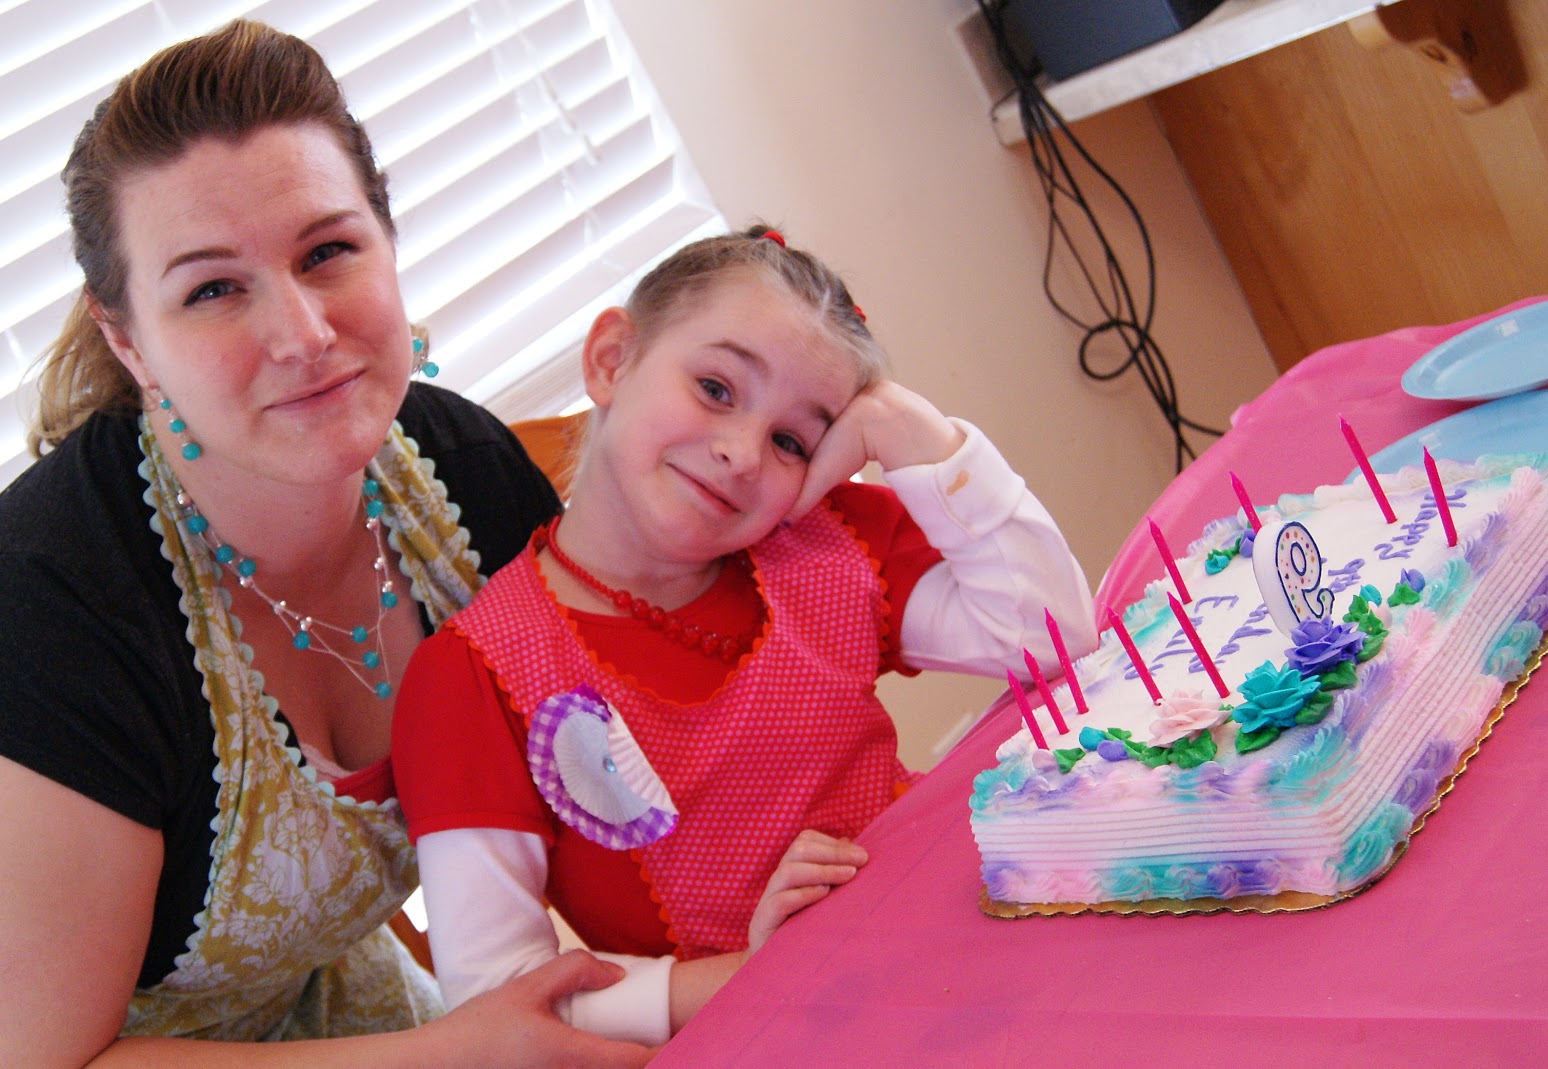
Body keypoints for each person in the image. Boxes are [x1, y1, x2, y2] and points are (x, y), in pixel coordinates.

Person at [0, 19, 655, 1066]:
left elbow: (618, 781)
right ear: (129, 340)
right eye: (213, 288)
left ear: (388, 244)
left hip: (337, 1012)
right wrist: (455, 1052)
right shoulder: (51, 612)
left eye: (327, 251)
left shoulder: (466, 476)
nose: (303, 334)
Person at [391, 225, 1100, 1044]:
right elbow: (503, 1008)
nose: (740, 454)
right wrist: (755, 971)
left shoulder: (826, 542)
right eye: (716, 388)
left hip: (963, 944)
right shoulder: (472, 679)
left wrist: (907, 426)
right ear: (612, 359)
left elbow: (1053, 636)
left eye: (792, 440)